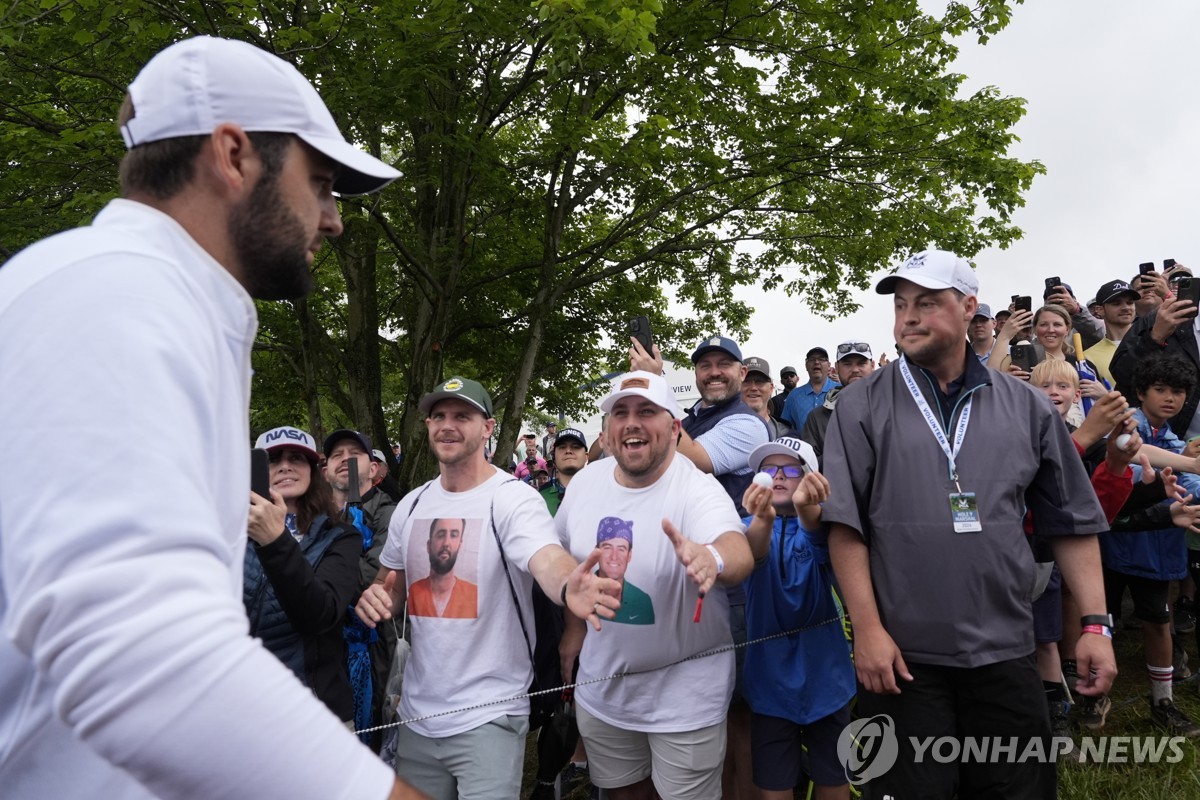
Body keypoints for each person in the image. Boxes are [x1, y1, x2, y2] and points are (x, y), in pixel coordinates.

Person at [0, 35, 421, 800]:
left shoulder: (159, 305)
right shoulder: (117, 299)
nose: (334, 221)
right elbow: (139, 660)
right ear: (232, 155)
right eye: (320, 181)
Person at [822, 249, 1115, 800]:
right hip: (902, 657)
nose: (907, 316)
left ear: (968, 308)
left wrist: (1096, 625)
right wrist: (867, 629)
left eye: (926, 303)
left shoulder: (1026, 406)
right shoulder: (860, 405)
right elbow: (846, 526)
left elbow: (1071, 520)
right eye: (901, 304)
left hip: (1006, 648)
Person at [354, 376, 620, 799]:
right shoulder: (413, 503)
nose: (447, 424)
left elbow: (545, 557)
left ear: (488, 427)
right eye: (438, 415)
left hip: (490, 715)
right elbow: (391, 586)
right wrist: (376, 597)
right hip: (417, 717)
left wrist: (572, 584)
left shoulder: (513, 498)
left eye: (462, 415)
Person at [556, 370, 754, 800]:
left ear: (674, 427)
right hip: (602, 692)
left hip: (686, 700)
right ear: (607, 432)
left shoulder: (696, 488)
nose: (632, 422)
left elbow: (737, 549)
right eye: (620, 412)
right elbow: (567, 563)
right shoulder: (586, 482)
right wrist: (573, 631)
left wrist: (712, 558)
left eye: (648, 411)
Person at [739, 436, 854, 800]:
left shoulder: (826, 523)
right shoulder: (744, 525)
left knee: (834, 778)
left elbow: (823, 546)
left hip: (828, 682)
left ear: (810, 477)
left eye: (790, 469)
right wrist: (762, 519)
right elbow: (751, 554)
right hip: (768, 684)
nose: (778, 476)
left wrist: (808, 510)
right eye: (768, 469)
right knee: (774, 785)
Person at [1095, 353, 1200, 737]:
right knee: (1101, 622)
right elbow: (1130, 472)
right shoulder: (1126, 429)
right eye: (1160, 390)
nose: (1169, 398)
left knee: (1159, 623)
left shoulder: (1176, 441)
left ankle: (1163, 701)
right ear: (1141, 393)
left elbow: (1188, 485)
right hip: (1116, 547)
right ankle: (1093, 694)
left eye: (1178, 391)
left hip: (1158, 551)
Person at [246, 426, 362, 723]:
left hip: (312, 713)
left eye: (297, 458)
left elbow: (320, 615)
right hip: (240, 706)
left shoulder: (341, 536)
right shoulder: (231, 533)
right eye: (274, 459)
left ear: (314, 471)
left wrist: (275, 541)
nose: (285, 465)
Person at [800, 340, 875, 465]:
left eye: (861, 363)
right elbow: (809, 466)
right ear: (836, 368)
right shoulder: (816, 418)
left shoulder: (891, 408)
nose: (855, 369)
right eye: (847, 364)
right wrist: (843, 452)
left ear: (872, 366)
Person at [1083, 279, 1139, 386]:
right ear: (1100, 310)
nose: (1126, 307)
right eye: (1116, 303)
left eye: (1130, 302)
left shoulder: (1151, 342)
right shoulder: (1088, 357)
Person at [781, 347, 839, 431]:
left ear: (829, 365)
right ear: (806, 366)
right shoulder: (793, 396)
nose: (816, 362)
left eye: (821, 359)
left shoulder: (841, 391)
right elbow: (784, 429)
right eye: (812, 359)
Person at [540, 427, 589, 515]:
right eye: (562, 447)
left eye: (576, 447)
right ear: (554, 457)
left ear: (586, 456)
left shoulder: (602, 492)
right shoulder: (539, 498)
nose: (568, 451)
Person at [742, 356, 786, 439]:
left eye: (760, 382)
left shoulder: (786, 434)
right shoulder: (720, 429)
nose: (753, 387)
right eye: (746, 381)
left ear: (771, 388)